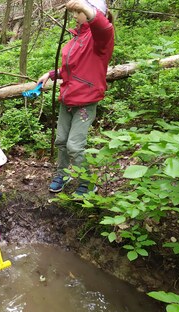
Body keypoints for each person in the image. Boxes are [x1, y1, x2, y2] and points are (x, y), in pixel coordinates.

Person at [37, 0, 114, 196]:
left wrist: (86, 6)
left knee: (75, 146)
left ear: (91, 12)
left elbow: (104, 27)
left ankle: (88, 182)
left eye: (78, 12)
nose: (74, 15)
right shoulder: (76, 38)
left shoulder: (98, 39)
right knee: (61, 141)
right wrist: (52, 74)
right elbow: (73, 69)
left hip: (85, 103)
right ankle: (63, 174)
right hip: (68, 99)